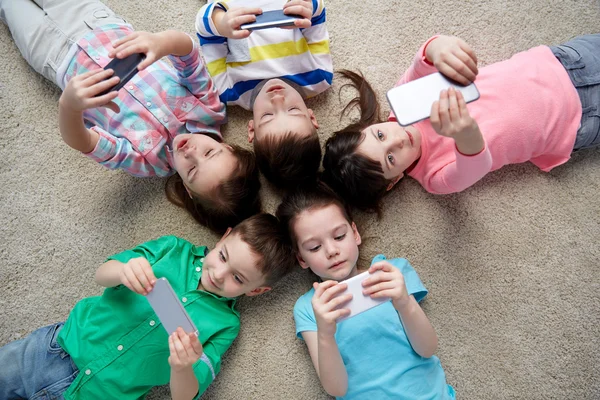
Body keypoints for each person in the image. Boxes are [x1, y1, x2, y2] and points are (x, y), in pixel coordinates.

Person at [0, 0, 261, 233]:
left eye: (192, 170)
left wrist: (69, 106)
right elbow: (188, 55)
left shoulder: (147, 163)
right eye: (209, 153)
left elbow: (84, 143)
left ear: (189, 192)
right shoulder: (210, 110)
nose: (190, 151)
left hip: (55, 58)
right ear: (228, 147)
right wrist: (163, 42)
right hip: (98, 25)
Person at [0, 213, 295, 400]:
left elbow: (187, 395)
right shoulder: (173, 249)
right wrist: (123, 272)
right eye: (223, 256)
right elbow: (102, 273)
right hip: (56, 349)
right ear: (223, 237)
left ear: (256, 290)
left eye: (237, 277)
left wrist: (181, 367)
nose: (218, 274)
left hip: (104, 394)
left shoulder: (226, 326)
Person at [322, 34, 600, 212]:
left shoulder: (404, 99)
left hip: (561, 64)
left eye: (380, 135)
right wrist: (465, 135)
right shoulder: (433, 177)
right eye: (391, 158)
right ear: (394, 181)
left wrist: (439, 48)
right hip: (575, 124)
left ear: (370, 125)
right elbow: (475, 166)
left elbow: (424, 60)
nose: (397, 140)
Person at [276, 184, 454, 399]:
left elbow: (427, 349)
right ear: (302, 259)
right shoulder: (309, 307)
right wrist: (325, 334)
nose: (332, 251)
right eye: (314, 247)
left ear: (355, 233)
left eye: (339, 236)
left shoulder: (391, 273)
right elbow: (336, 389)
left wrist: (405, 303)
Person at [196, 0, 333, 189]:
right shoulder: (319, 76)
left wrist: (220, 23)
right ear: (312, 116)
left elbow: (205, 32)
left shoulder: (228, 91)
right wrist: (309, 8)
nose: (277, 99)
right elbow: (318, 17)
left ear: (251, 129)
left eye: (268, 115)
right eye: (293, 110)